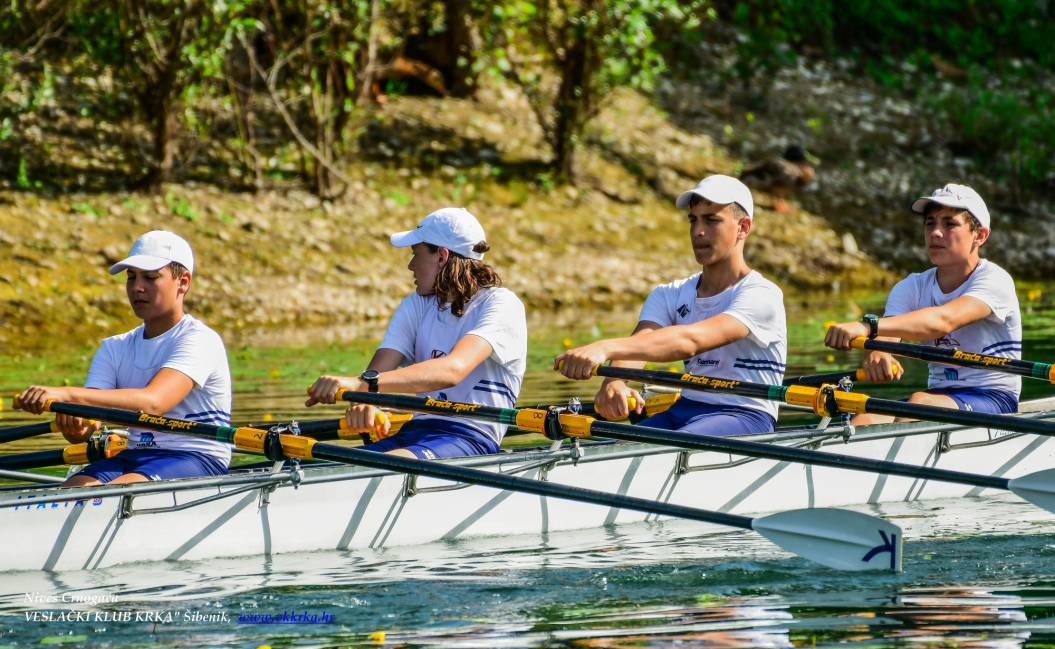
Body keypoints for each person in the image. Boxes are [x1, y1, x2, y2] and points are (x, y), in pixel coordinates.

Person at [556, 175, 787, 436]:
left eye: (711, 220)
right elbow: (641, 344)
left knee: (660, 448)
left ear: (743, 227)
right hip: (684, 408)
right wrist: (614, 381)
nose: (698, 231)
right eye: (693, 220)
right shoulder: (670, 294)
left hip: (746, 414)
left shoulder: (762, 294)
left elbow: (691, 340)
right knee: (617, 448)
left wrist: (603, 347)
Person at [307, 208, 527, 459]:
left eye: (415, 254)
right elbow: (375, 375)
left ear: (442, 256)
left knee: (370, 465)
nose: (410, 265)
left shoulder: (502, 304)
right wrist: (365, 402)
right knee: (332, 464)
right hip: (414, 430)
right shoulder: (417, 305)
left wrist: (360, 385)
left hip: (469, 436)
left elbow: (453, 370)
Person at [17, 231, 233, 486]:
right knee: (69, 493)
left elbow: (154, 403)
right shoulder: (114, 348)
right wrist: (73, 421)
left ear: (183, 282)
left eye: (150, 277)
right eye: (131, 277)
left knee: (112, 495)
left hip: (195, 456)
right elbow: (87, 428)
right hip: (133, 455)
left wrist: (67, 395)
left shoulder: (200, 340)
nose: (136, 287)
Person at [824, 184, 1021, 424]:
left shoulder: (995, 280)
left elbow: (943, 321)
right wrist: (878, 352)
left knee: (919, 404)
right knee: (865, 417)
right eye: (930, 223)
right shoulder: (911, 286)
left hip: (993, 398)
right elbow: (888, 336)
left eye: (949, 224)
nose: (936, 232)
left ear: (979, 236)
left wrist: (867, 326)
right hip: (937, 396)